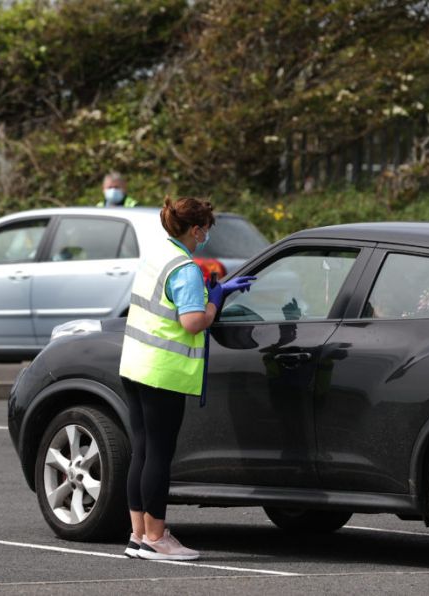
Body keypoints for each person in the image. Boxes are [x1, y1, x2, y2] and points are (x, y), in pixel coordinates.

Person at [118, 197, 254, 561]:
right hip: (164, 371)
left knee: (142, 450)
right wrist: (217, 299)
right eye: (206, 228)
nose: (207, 233)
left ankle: (138, 535)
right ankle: (157, 539)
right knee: (159, 454)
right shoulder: (186, 269)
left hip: (135, 365)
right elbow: (192, 321)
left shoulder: (157, 255)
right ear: (196, 230)